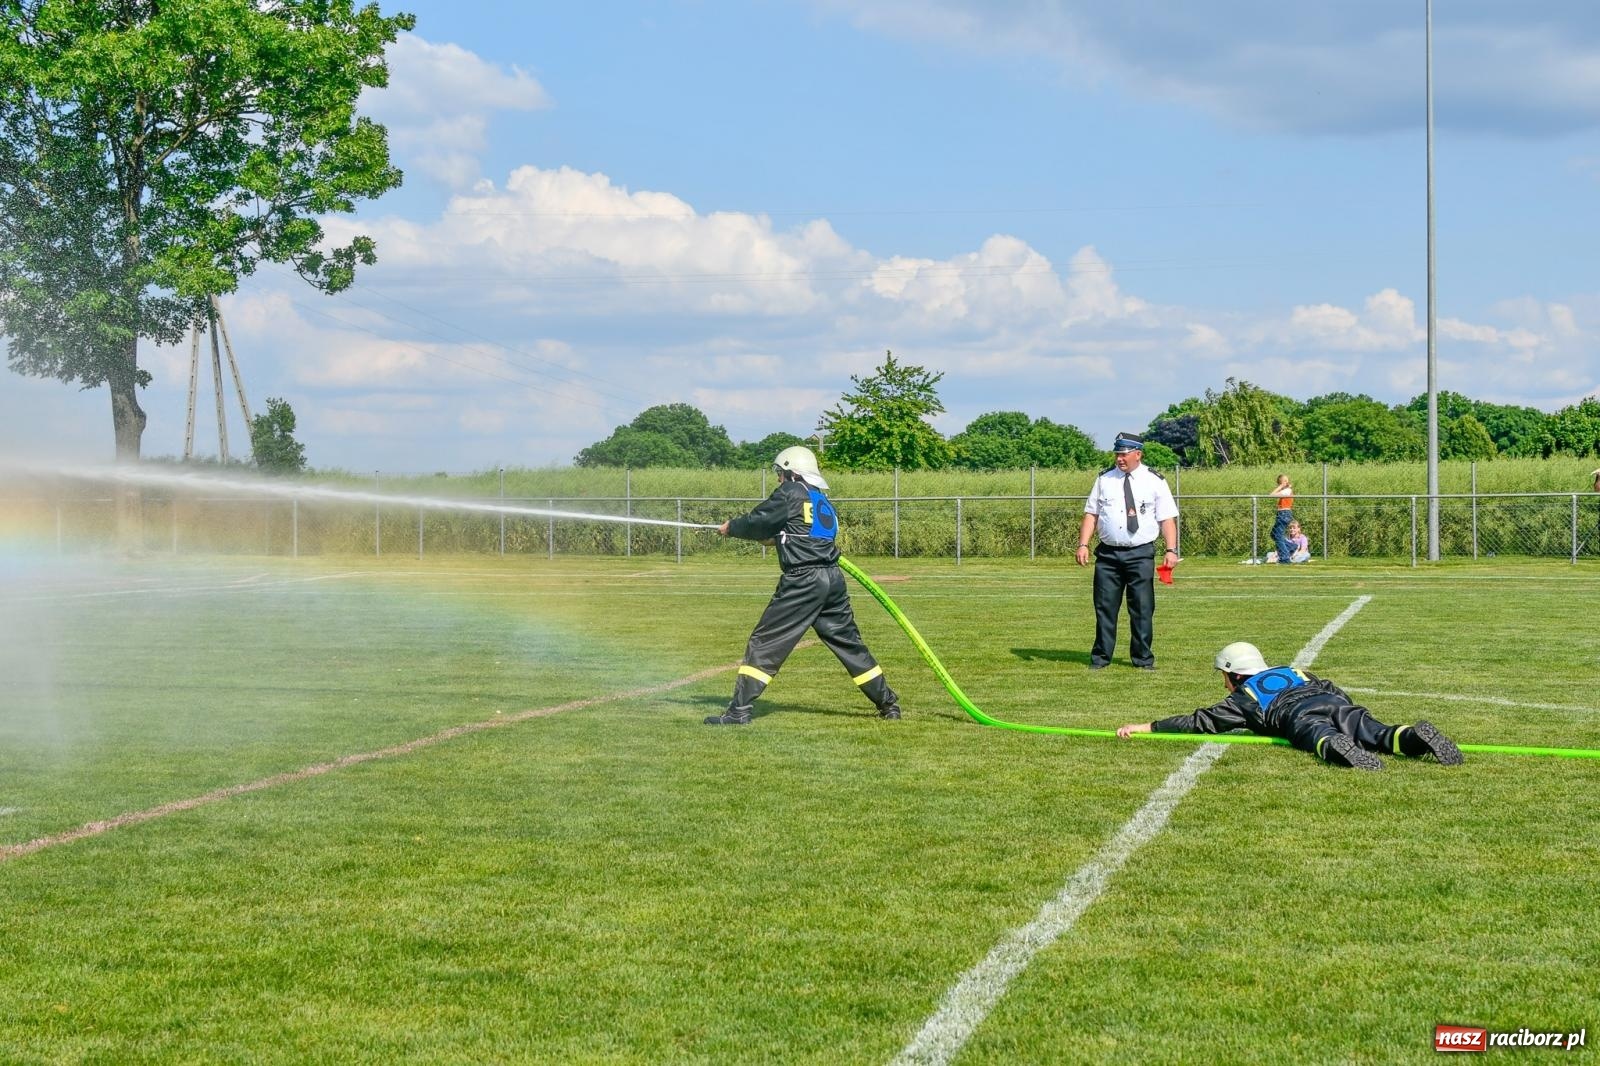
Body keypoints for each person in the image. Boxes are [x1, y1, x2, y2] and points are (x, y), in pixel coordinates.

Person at [704, 445, 902, 726]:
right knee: (849, 643)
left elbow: (758, 521)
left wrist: (732, 528)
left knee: (766, 641)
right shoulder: (820, 500)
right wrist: (773, 538)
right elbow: (802, 533)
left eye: (780, 473)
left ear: (791, 472)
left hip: (803, 581)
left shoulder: (791, 492)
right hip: (832, 580)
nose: (778, 480)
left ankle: (738, 711)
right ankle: (889, 705)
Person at [1114, 641, 1464, 770]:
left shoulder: (1245, 697)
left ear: (1233, 674)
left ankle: (1334, 746)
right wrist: (1346, 709)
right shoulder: (1294, 670)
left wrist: (1145, 727)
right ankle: (1413, 736)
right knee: (1378, 732)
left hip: (1298, 716)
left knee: (1316, 734)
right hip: (1334, 700)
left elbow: (1200, 721)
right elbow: (1331, 687)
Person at [1075, 432, 1180, 670]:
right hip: (1108, 555)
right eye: (1117, 454)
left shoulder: (1154, 480)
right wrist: (1083, 544)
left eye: (1124, 454)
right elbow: (1092, 514)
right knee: (1104, 607)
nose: (1120, 459)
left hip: (1140, 553)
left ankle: (1143, 659)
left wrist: (1171, 549)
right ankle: (1100, 658)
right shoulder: (1104, 479)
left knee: (1142, 608)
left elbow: (1167, 519)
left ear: (1137, 454)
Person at [1241, 519, 1310, 565]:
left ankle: (1285, 560)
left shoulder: (1302, 537)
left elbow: (1303, 550)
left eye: (1294, 528)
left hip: (1297, 554)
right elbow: (1281, 547)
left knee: (1306, 555)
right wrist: (1275, 554)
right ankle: (1282, 559)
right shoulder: (1287, 537)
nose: (1292, 530)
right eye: (1290, 528)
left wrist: (1293, 556)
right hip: (1287, 554)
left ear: (1298, 529)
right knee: (1269, 554)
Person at [1269, 473, 1295, 565]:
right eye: (1283, 481)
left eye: (1286, 481)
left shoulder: (1287, 490)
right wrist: (1281, 486)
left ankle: (1285, 558)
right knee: (1273, 534)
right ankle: (1292, 546)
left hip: (1284, 514)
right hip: (1282, 514)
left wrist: (1280, 486)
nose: (1286, 482)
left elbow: (1271, 495)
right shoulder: (1286, 490)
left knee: (1278, 536)